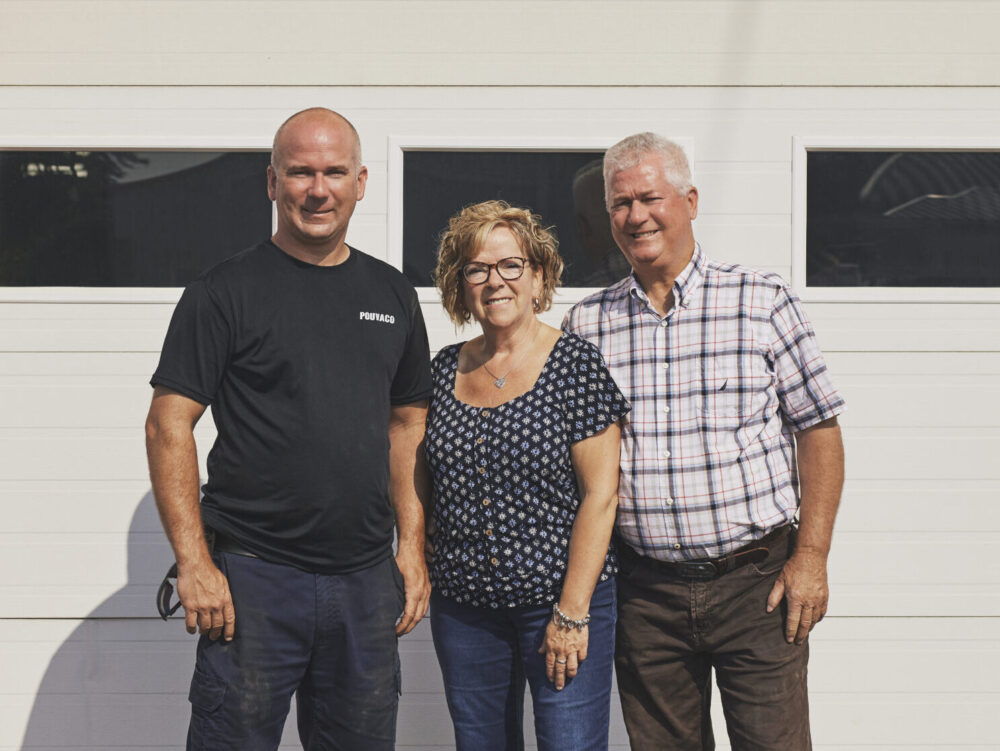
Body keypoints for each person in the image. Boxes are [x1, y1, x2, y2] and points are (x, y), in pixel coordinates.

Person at [144, 107, 432, 751]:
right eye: (300, 172)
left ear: (361, 182)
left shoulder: (392, 295)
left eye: (334, 172)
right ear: (272, 183)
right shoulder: (224, 292)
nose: (318, 189)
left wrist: (411, 549)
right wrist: (194, 563)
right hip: (254, 581)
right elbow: (168, 425)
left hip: (364, 582)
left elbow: (408, 424)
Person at [563, 133, 846, 750]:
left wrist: (812, 556)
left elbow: (819, 430)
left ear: (689, 201)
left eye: (650, 198)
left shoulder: (760, 300)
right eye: (620, 204)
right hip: (646, 596)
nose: (636, 216)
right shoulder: (587, 325)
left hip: (758, 586)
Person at [424, 200, 630, 751]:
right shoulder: (442, 370)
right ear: (461, 284)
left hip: (559, 600)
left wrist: (573, 612)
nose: (495, 281)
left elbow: (601, 495)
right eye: (477, 269)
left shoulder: (575, 364)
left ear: (538, 276)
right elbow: (420, 473)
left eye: (511, 265)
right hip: (465, 609)